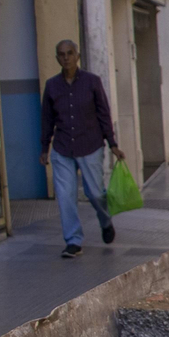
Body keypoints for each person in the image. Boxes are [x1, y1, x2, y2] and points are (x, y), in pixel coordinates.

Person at [39, 39, 123, 258]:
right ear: (57, 58)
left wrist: (112, 144)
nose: (66, 57)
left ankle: (105, 220)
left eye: (69, 53)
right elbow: (46, 119)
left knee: (95, 193)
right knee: (66, 197)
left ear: (77, 56)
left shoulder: (92, 82)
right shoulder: (52, 86)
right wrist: (44, 148)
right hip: (62, 148)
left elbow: (104, 113)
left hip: (90, 145)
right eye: (61, 54)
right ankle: (73, 241)